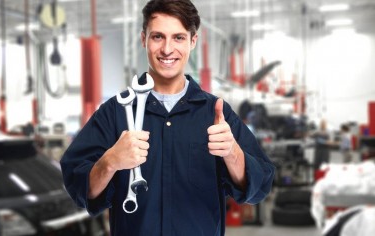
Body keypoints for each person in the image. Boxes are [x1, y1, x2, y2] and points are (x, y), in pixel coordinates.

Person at [60, 0, 275, 235]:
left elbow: (261, 186)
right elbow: (79, 189)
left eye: (179, 38)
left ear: (193, 41)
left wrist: (232, 153)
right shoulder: (116, 112)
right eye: (158, 37)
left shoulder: (215, 114)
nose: (167, 49)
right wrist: (110, 161)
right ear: (144, 39)